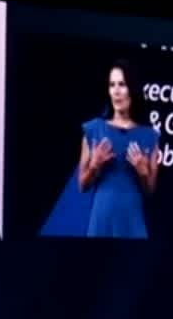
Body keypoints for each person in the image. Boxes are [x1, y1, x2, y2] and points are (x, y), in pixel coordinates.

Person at [42, 61, 162, 239]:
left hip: (132, 221)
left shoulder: (149, 136)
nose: (116, 91)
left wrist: (143, 172)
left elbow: (150, 191)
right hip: (101, 220)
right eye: (112, 85)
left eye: (122, 84)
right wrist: (94, 165)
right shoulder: (94, 130)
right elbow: (82, 185)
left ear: (132, 89)